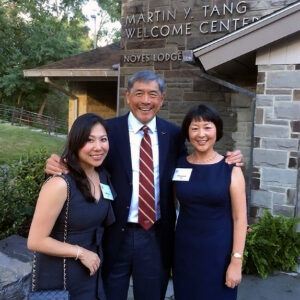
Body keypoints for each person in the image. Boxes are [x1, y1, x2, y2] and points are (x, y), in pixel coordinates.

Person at [44, 70, 243, 300]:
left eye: (152, 94)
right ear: (128, 96)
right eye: (139, 93)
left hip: (156, 237)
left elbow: (197, 166)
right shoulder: (107, 131)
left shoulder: (175, 134)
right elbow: (81, 158)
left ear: (162, 98)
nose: (146, 100)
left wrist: (230, 160)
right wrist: (56, 163)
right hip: (114, 234)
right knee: (109, 295)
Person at [27, 113, 115, 300]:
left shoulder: (103, 177)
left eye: (103, 139)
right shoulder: (60, 183)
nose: (98, 147)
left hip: (91, 274)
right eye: (89, 140)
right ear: (75, 142)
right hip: (61, 278)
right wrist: (81, 253)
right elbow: (35, 240)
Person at [173, 104, 248, 300]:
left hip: (219, 254)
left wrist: (236, 261)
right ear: (187, 133)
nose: (201, 134)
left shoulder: (231, 168)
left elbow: (240, 218)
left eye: (207, 127)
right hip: (185, 252)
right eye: (194, 128)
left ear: (217, 130)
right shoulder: (179, 164)